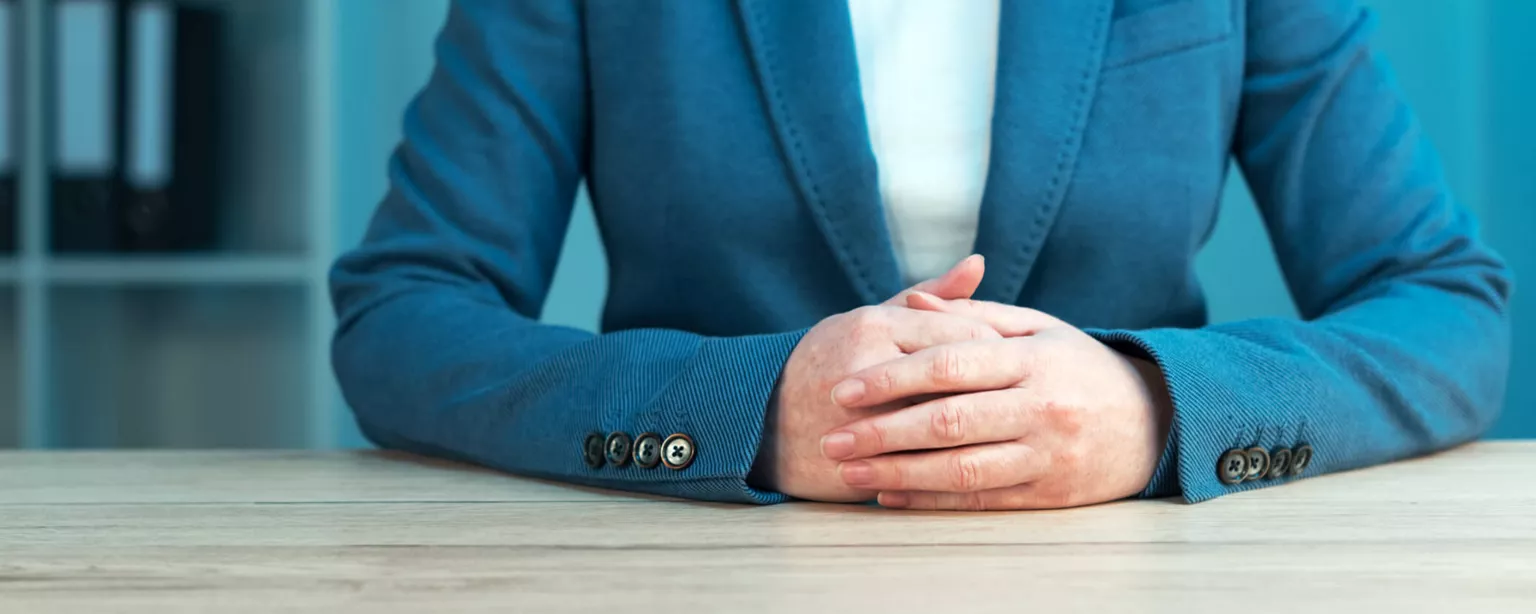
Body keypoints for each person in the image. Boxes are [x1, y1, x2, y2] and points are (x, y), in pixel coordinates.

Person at [329, 0, 1512, 510]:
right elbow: (404, 316)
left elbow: (1447, 308)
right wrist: (739, 408)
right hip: (697, 569)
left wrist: (1156, 406)